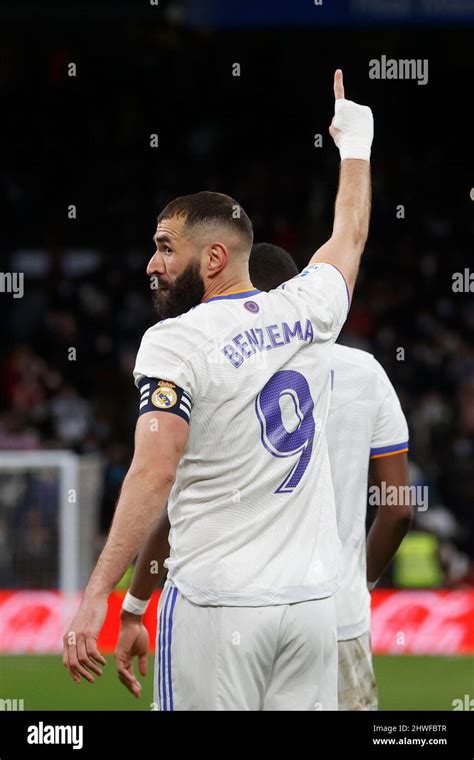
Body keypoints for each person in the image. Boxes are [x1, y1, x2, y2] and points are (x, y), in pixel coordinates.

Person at [63, 69, 373, 710]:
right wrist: (356, 144)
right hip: (312, 610)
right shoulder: (309, 308)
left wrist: (101, 594)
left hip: (215, 606)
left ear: (211, 260)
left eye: (164, 248)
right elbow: (350, 234)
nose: (151, 264)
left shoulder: (175, 341)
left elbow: (154, 473)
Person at [115, 243, 412, 711]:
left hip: (233, 605)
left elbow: (175, 509)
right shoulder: (368, 373)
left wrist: (133, 605)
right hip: (334, 615)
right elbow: (397, 508)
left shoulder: (219, 366)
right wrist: (358, 583)